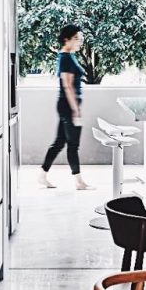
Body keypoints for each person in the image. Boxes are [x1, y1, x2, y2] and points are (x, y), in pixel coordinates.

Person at [38, 24, 95, 190]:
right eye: (76, 38)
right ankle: (79, 182)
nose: (80, 41)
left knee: (59, 143)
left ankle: (42, 174)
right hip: (68, 106)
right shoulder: (65, 58)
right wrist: (75, 109)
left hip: (66, 105)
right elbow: (67, 85)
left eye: (80, 38)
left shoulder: (69, 56)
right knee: (72, 144)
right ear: (66, 39)